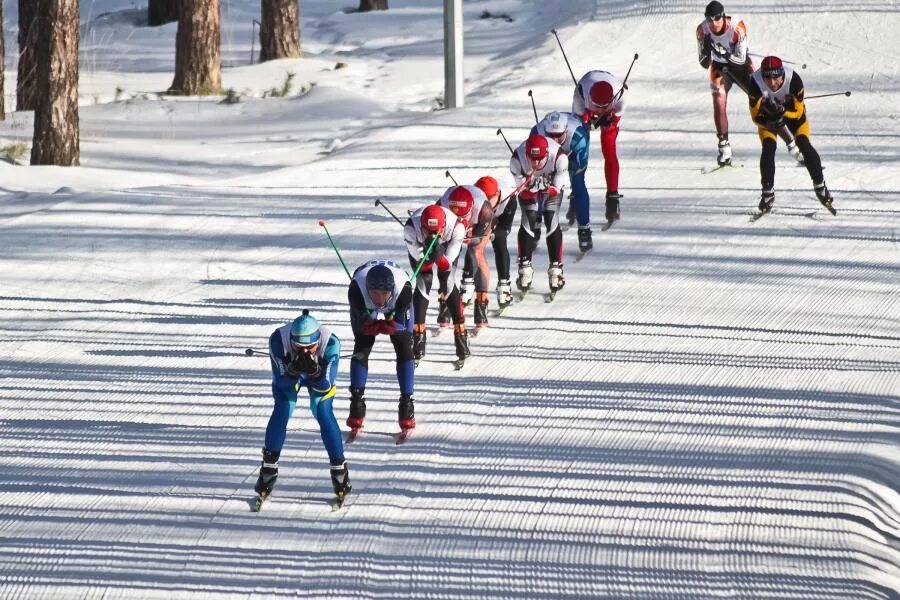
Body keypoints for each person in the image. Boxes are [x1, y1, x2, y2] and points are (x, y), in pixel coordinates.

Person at [255, 310, 350, 503]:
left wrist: (315, 373)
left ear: (318, 341)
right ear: (291, 341)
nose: (305, 352)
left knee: (323, 411)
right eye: (299, 348)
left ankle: (339, 467)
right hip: (291, 377)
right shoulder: (278, 340)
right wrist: (292, 372)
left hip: (318, 377)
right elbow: (281, 384)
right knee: (283, 407)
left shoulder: (331, 343)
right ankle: (268, 467)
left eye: (311, 347)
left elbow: (326, 384)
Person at [695, 1, 803, 166]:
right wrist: (706, 50)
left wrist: (722, 52)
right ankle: (724, 148)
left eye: (716, 18)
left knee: (765, 104)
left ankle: (794, 147)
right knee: (718, 99)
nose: (713, 23)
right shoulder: (702, 30)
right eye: (709, 19)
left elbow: (741, 59)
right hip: (719, 67)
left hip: (742, 68)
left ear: (723, 16)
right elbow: (704, 63)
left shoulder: (737, 27)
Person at [748, 56, 835, 214]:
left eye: (776, 78)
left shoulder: (794, 80)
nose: (772, 83)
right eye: (767, 77)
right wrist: (770, 121)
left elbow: (798, 112)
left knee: (803, 144)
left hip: (793, 114)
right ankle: (767, 193)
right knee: (768, 147)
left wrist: (782, 112)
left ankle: (821, 188)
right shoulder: (755, 82)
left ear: (782, 75)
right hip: (768, 119)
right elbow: (755, 117)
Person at [347, 259, 416, 431]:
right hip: (363, 292)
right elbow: (361, 325)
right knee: (362, 343)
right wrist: (370, 325)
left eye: (384, 294)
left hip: (397, 297)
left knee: (403, 343)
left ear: (391, 290)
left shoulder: (404, 291)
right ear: (368, 289)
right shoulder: (356, 291)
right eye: (375, 293)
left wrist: (391, 326)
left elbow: (404, 328)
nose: (379, 299)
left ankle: (406, 403)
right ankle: (356, 403)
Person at [403, 203, 470, 363]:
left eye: (436, 232)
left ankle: (461, 335)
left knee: (447, 280)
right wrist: (427, 254)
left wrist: (438, 256)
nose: (433, 235)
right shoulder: (411, 228)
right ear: (422, 227)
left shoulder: (456, 228)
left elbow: (447, 263)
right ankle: (418, 338)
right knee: (423, 280)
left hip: (446, 246)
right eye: (428, 231)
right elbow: (422, 265)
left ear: (443, 227)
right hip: (420, 247)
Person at [509, 133, 568, 294]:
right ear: (526, 153)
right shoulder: (517, 160)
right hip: (530, 187)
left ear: (547, 155)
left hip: (551, 183)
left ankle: (556, 268)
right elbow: (523, 192)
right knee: (529, 216)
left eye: (539, 159)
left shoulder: (559, 157)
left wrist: (545, 185)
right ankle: (525, 268)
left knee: (550, 215)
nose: (535, 163)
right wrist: (532, 186)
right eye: (532, 158)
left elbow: (555, 190)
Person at [572, 69, 625, 228]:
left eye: (604, 107)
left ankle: (612, 198)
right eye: (596, 106)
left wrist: (609, 121)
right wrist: (588, 122)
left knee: (609, 147)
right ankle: (577, 191)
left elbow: (615, 120)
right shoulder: (580, 95)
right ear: (590, 101)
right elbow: (579, 123)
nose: (600, 110)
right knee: (579, 148)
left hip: (608, 101)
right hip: (586, 92)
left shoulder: (620, 98)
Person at [533, 111, 592, 250]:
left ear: (565, 131)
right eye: (550, 135)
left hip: (573, 149)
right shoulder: (537, 133)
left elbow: (577, 167)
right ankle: (535, 224)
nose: (555, 139)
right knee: (541, 183)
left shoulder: (579, 137)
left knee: (577, 182)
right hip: (548, 152)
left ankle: (584, 230)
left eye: (559, 135)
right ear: (545, 132)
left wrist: (562, 166)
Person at [439, 184, 494, 329]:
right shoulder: (441, 205)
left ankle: (481, 306)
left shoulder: (484, 209)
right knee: (447, 259)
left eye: (463, 216)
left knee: (476, 252)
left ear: (471, 210)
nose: (460, 219)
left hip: (476, 226)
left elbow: (480, 238)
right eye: (456, 216)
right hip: (450, 228)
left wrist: (470, 238)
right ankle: (445, 303)